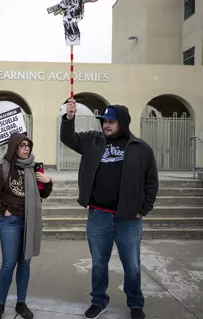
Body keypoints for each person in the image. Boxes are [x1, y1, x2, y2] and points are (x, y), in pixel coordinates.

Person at [60, 100, 159, 319]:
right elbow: (67, 138)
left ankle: (135, 304)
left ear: (122, 122)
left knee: (132, 265)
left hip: (129, 219)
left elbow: (151, 181)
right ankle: (98, 300)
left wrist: (144, 209)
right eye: (104, 121)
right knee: (98, 263)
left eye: (111, 122)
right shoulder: (91, 141)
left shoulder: (140, 148)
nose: (106, 125)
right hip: (98, 215)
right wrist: (68, 118)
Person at [0, 132, 54, 319]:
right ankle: (0, 304)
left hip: (30, 221)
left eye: (28, 145)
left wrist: (48, 183)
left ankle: (21, 303)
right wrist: (5, 211)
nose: (26, 148)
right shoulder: (2, 169)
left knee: (25, 263)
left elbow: (43, 194)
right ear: (14, 147)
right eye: (22, 145)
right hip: (11, 222)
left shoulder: (33, 168)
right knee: (8, 264)